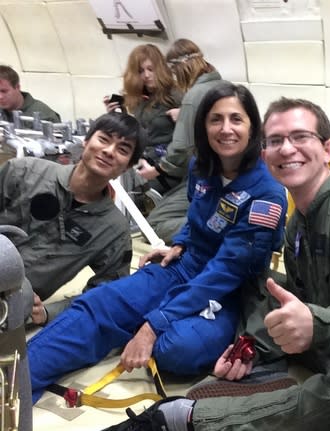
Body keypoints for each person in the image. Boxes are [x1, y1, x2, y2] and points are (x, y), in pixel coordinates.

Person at [105, 98, 330, 431]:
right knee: (255, 279)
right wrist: (252, 347)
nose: (287, 149)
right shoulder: (298, 221)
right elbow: (295, 297)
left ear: (328, 149)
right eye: (275, 141)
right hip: (325, 349)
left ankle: (180, 419)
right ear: (264, 156)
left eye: (300, 137)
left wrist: (317, 325)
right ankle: (258, 376)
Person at [27, 82, 287, 404]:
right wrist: (180, 243)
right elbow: (196, 217)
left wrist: (153, 325)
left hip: (230, 293)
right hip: (184, 267)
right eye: (215, 119)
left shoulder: (267, 195)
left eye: (236, 119)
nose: (226, 129)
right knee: (98, 305)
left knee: (175, 350)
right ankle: (14, 383)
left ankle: (153, 320)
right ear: (203, 126)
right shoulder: (201, 167)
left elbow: (226, 272)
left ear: (252, 128)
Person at [0, 112, 146, 325]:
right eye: (104, 139)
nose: (109, 151)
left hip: (11, 306)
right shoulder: (24, 172)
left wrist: (50, 312)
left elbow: (107, 294)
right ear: (86, 142)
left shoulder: (113, 231)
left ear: (126, 167)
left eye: (122, 150)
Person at [143, 38, 225, 243]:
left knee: (153, 224)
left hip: (209, 177)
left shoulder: (193, 96)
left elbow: (180, 148)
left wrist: (158, 170)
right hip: (229, 175)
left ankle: (220, 227)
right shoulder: (226, 87)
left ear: (179, 69)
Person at [104, 44, 183, 194]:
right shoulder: (136, 98)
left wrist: (185, 116)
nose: (146, 75)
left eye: (150, 69)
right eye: (141, 71)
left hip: (168, 168)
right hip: (143, 162)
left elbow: (186, 142)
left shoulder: (176, 96)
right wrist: (114, 116)